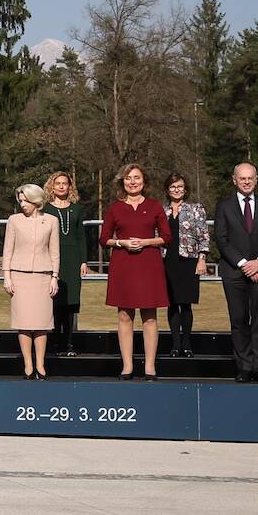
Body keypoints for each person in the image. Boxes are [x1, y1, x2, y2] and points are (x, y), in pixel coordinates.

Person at [214, 161, 258, 384]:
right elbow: (222, 241)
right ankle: (244, 367)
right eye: (242, 178)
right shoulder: (224, 206)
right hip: (234, 273)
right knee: (239, 320)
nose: (246, 181)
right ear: (234, 180)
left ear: (256, 179)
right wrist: (244, 264)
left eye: (250, 177)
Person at [102, 163, 170, 380]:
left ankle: (150, 366)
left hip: (149, 264)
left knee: (149, 316)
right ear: (123, 182)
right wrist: (121, 243)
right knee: (124, 315)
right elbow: (104, 239)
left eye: (137, 178)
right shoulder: (115, 208)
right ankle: (127, 365)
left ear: (144, 181)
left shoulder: (155, 206)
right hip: (123, 265)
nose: (133, 182)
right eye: (129, 178)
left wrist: (147, 241)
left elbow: (167, 237)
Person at [3, 184, 61, 379]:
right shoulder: (14, 221)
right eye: (20, 200)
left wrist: (54, 277)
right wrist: (7, 276)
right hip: (19, 276)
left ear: (36, 200)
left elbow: (55, 251)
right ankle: (28, 364)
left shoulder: (51, 221)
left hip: (43, 277)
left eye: (25, 200)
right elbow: (7, 251)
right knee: (24, 322)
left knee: (42, 323)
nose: (22, 204)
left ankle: (41, 365)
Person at [41, 171, 91, 357]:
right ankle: (54, 344)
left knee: (71, 302)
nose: (61, 186)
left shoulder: (76, 209)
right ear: (51, 187)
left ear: (70, 187)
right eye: (58, 183)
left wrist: (83, 260)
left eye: (65, 183)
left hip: (72, 258)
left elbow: (80, 237)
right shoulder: (45, 209)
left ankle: (69, 344)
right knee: (54, 301)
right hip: (52, 257)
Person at [163, 173, 208, 359]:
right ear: (167, 190)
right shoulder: (161, 211)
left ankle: (187, 343)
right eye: (173, 187)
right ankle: (175, 344)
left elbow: (203, 235)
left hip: (188, 261)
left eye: (180, 186)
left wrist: (202, 259)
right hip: (167, 260)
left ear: (185, 189)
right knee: (172, 303)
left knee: (186, 304)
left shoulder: (196, 209)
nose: (177, 190)